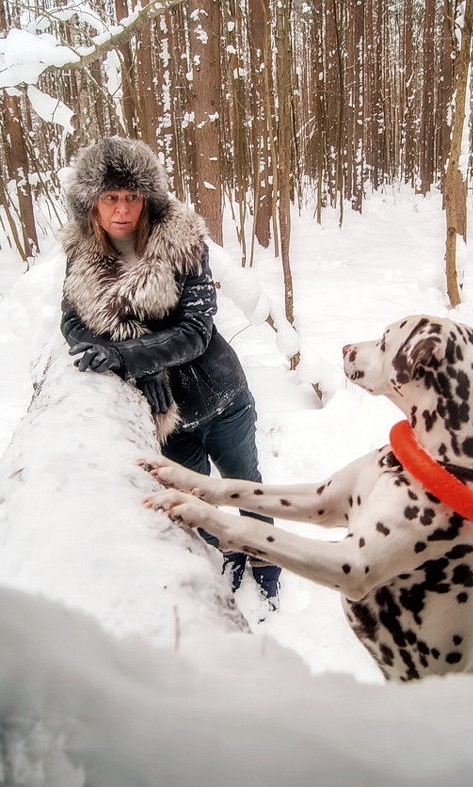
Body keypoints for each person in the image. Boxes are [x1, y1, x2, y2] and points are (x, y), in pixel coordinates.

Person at [59, 136, 281, 608]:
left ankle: (264, 560)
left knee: (246, 486)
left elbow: (196, 331)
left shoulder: (183, 242)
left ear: (147, 199)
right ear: (92, 203)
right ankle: (226, 552)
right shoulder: (81, 256)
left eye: (131, 197)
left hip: (222, 398)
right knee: (196, 497)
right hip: (169, 416)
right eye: (110, 197)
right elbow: (74, 322)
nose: (122, 209)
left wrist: (129, 358)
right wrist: (147, 366)